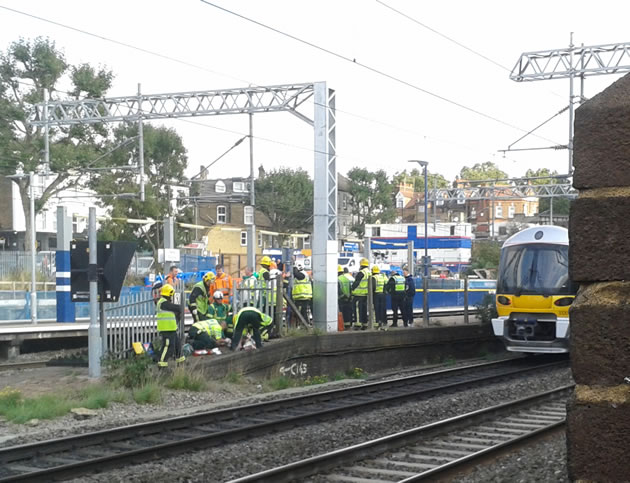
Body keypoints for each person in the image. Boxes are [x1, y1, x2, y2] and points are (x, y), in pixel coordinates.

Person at [156, 284, 185, 367]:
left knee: (177, 346)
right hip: (166, 329)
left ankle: (181, 362)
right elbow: (178, 308)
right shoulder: (163, 303)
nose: (172, 297)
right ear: (169, 294)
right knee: (168, 347)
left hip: (171, 329)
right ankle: (162, 364)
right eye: (171, 295)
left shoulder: (164, 303)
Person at [351, 258, 371, 330]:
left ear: (361, 265)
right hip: (365, 295)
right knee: (364, 310)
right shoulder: (369, 272)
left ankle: (358, 324)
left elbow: (356, 283)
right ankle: (365, 324)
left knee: (357, 310)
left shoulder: (361, 273)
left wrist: (352, 289)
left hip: (358, 295)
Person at [371, 265, 388, 330]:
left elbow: (373, 287)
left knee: (376, 309)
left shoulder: (373, 277)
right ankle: (384, 321)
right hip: (382, 295)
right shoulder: (382, 277)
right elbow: (386, 284)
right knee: (383, 309)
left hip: (376, 295)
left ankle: (378, 322)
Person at [338, 264, 353, 329]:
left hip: (341, 299)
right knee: (348, 312)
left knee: (342, 313)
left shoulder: (337, 279)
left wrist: (342, 296)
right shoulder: (346, 278)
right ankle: (348, 325)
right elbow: (350, 288)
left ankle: (342, 326)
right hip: (348, 298)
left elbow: (338, 290)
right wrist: (349, 297)